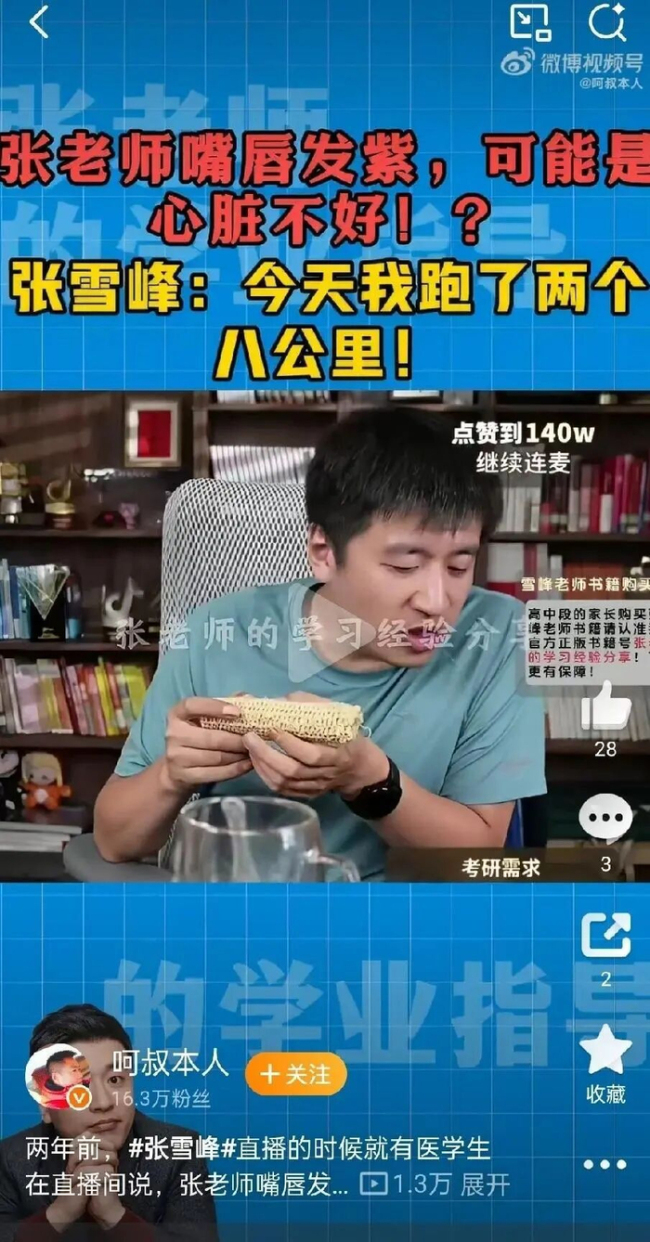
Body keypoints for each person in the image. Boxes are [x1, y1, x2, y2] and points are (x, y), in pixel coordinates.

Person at [94, 406, 546, 879]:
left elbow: (479, 857)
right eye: (405, 566)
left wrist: (369, 779)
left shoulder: (498, 634)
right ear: (324, 552)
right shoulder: (218, 632)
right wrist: (171, 776)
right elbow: (113, 839)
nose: (436, 601)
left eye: (458, 566)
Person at [0, 1004, 218, 1240]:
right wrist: (60, 1213)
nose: (103, 1103)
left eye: (115, 1080)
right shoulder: (11, 1160)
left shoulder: (179, 1151)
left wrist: (114, 1216)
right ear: (45, 1105)